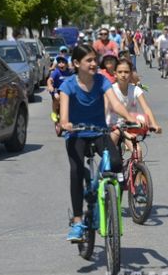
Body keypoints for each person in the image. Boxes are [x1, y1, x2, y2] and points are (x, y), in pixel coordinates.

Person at [58, 44, 143, 241]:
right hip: (76, 135)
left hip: (98, 132)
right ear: (77, 63)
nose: (94, 63)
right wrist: (66, 124)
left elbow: (115, 104)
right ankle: (78, 221)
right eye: (89, 60)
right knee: (76, 172)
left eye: (95, 59)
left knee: (115, 162)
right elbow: (63, 116)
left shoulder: (101, 81)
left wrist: (131, 117)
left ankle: (108, 199)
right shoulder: (68, 85)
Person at [107, 59, 162, 150]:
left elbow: (146, 108)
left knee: (138, 151)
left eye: (126, 72)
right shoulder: (110, 89)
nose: (123, 75)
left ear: (131, 74)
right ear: (115, 74)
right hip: (114, 126)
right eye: (120, 72)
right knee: (110, 151)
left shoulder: (136, 90)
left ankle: (135, 164)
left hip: (130, 126)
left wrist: (154, 124)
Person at [46, 56, 72, 123]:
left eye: (63, 62)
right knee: (57, 98)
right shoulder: (56, 72)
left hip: (67, 91)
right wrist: (50, 86)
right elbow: (50, 80)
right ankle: (54, 113)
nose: (61, 64)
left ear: (66, 64)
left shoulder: (70, 72)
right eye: (59, 62)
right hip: (56, 90)